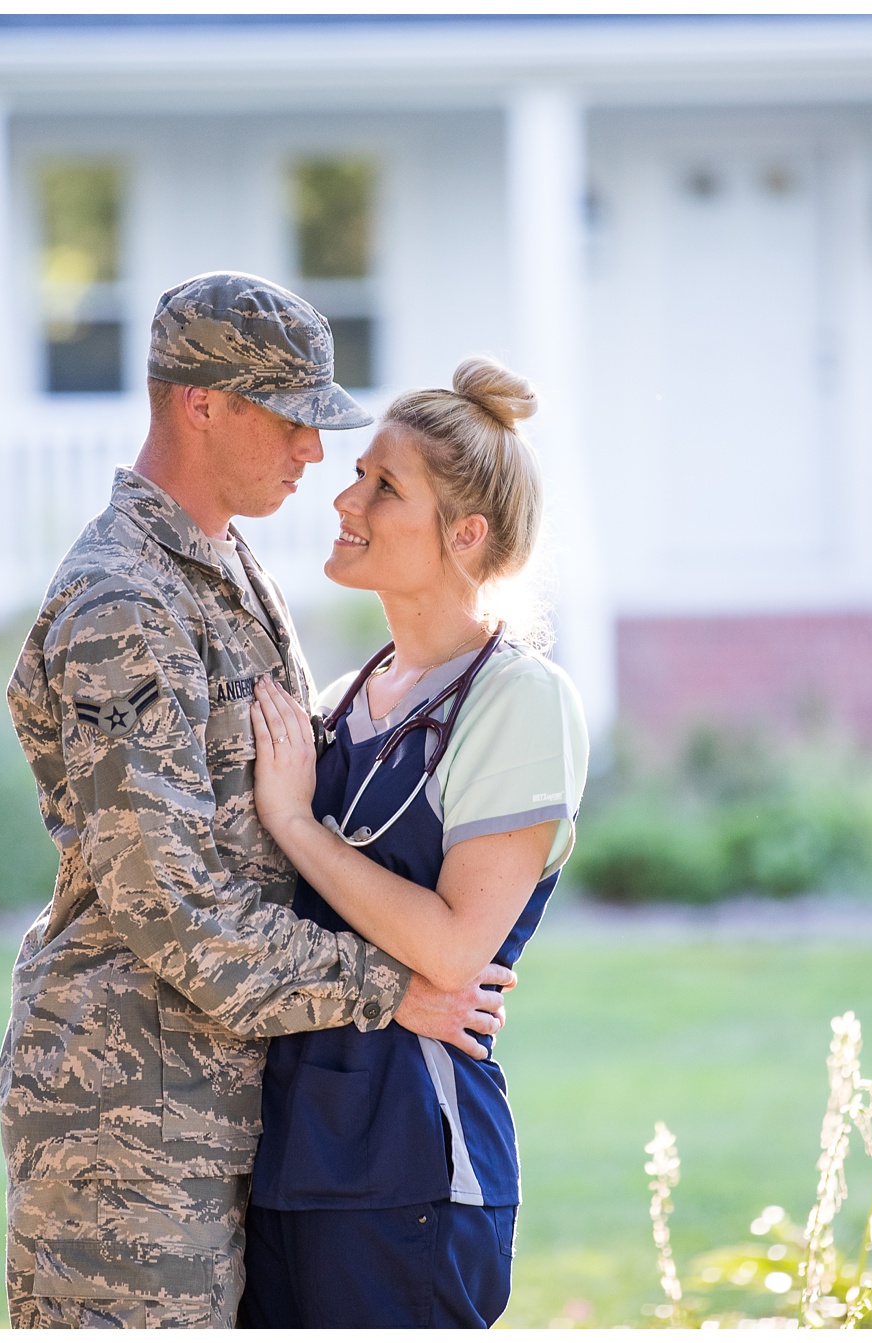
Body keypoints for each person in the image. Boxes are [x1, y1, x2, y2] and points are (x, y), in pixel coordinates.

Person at [0, 273, 518, 1329]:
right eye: (289, 419)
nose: (311, 453)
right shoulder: (123, 602)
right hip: (128, 1130)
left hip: (233, 1111)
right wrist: (394, 987)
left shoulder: (224, 570)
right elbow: (169, 908)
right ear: (201, 403)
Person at [237, 357, 590, 1327]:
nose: (344, 497)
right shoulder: (340, 700)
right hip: (286, 1164)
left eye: (383, 485)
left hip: (412, 1173)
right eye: (358, 474)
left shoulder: (517, 702)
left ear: (464, 533)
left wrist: (297, 824)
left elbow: (448, 947)